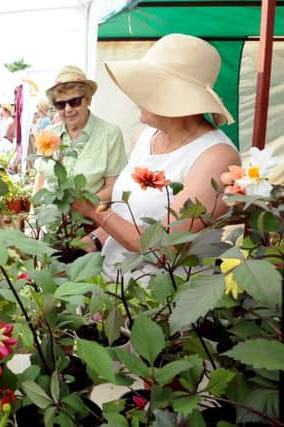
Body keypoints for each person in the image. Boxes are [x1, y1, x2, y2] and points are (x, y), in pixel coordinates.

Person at [71, 33, 241, 282]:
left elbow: (165, 248)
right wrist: (89, 242)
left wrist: (94, 210)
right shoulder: (144, 137)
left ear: (180, 99)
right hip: (115, 285)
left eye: (149, 87)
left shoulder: (216, 157)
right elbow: (129, 215)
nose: (136, 95)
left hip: (162, 303)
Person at [34, 65, 127, 202]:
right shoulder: (48, 134)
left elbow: (114, 186)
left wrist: (82, 206)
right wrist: (33, 215)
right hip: (48, 219)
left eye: (75, 102)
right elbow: (40, 180)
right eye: (61, 104)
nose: (68, 109)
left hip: (89, 220)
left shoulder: (110, 134)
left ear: (88, 99)